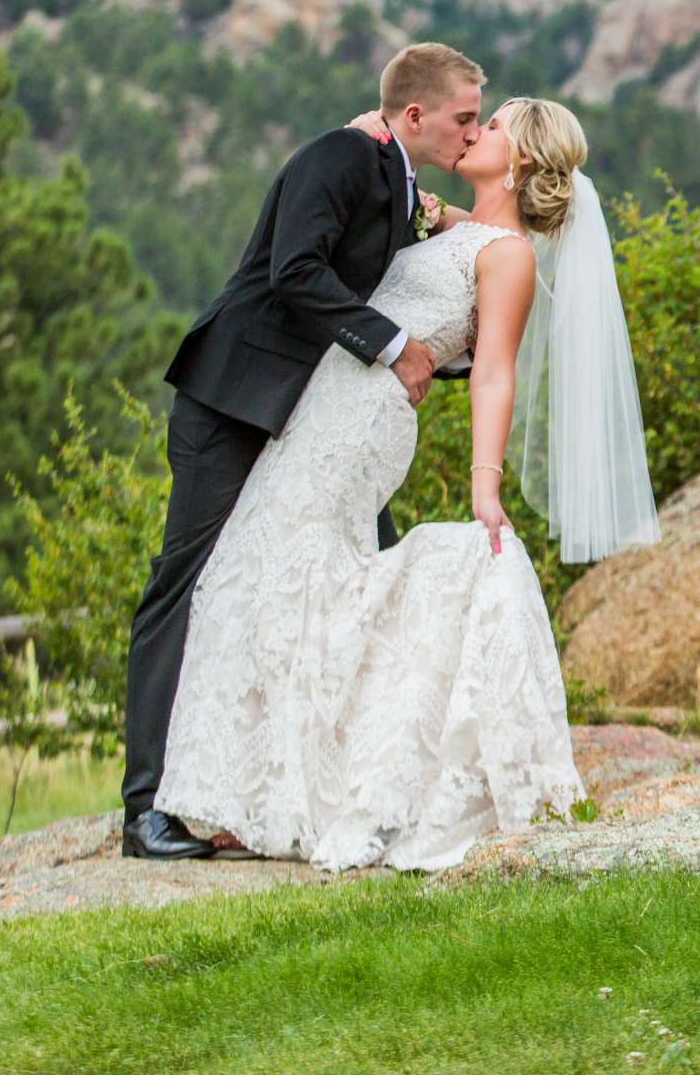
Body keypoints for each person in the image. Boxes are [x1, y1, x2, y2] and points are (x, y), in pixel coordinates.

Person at [151, 97, 660, 871]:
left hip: (363, 423)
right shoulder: (463, 228)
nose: (474, 131)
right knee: (259, 574)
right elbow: (396, 220)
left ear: (518, 159)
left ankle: (288, 792)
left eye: (491, 127)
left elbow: (492, 373)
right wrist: (378, 143)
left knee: (285, 572)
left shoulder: (510, 258)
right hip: (321, 406)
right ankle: (263, 790)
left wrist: (484, 485)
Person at [119, 43, 484, 861]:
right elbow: (294, 272)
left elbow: (416, 268)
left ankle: (343, 783)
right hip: (235, 402)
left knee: (360, 572)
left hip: (319, 423)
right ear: (415, 115)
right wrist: (396, 347)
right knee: (189, 582)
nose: (474, 131)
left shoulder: (395, 179)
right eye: (464, 117)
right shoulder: (338, 154)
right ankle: (145, 807)